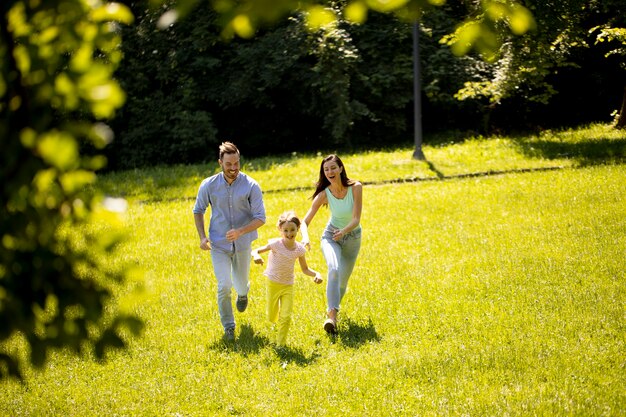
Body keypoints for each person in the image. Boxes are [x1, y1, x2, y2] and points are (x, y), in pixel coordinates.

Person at [193, 142, 266, 341]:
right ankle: (229, 327)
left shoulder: (251, 185)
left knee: (241, 285)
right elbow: (198, 210)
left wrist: (241, 231)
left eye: (236, 163)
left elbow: (261, 217)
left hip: (243, 244)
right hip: (218, 244)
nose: (233, 168)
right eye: (228, 164)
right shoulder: (208, 185)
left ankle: (243, 294)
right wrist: (202, 237)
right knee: (224, 285)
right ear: (220, 163)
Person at [301, 154, 362, 334]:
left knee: (342, 282)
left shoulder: (356, 187)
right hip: (330, 236)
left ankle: (334, 311)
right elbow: (305, 221)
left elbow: (356, 219)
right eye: (326, 169)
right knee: (333, 269)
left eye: (333, 168)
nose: (330, 172)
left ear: (341, 168)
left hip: (352, 237)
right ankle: (331, 317)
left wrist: (343, 232)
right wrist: (305, 237)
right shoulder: (324, 194)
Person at [251, 211, 323, 346]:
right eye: (285, 230)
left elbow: (305, 269)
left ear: (298, 229)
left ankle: (281, 344)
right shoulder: (275, 244)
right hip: (273, 284)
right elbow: (255, 250)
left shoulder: (299, 249)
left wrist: (317, 274)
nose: (289, 233)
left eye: (292, 230)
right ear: (280, 230)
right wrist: (256, 256)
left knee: (286, 316)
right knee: (272, 317)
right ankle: (275, 316)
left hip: (288, 285)